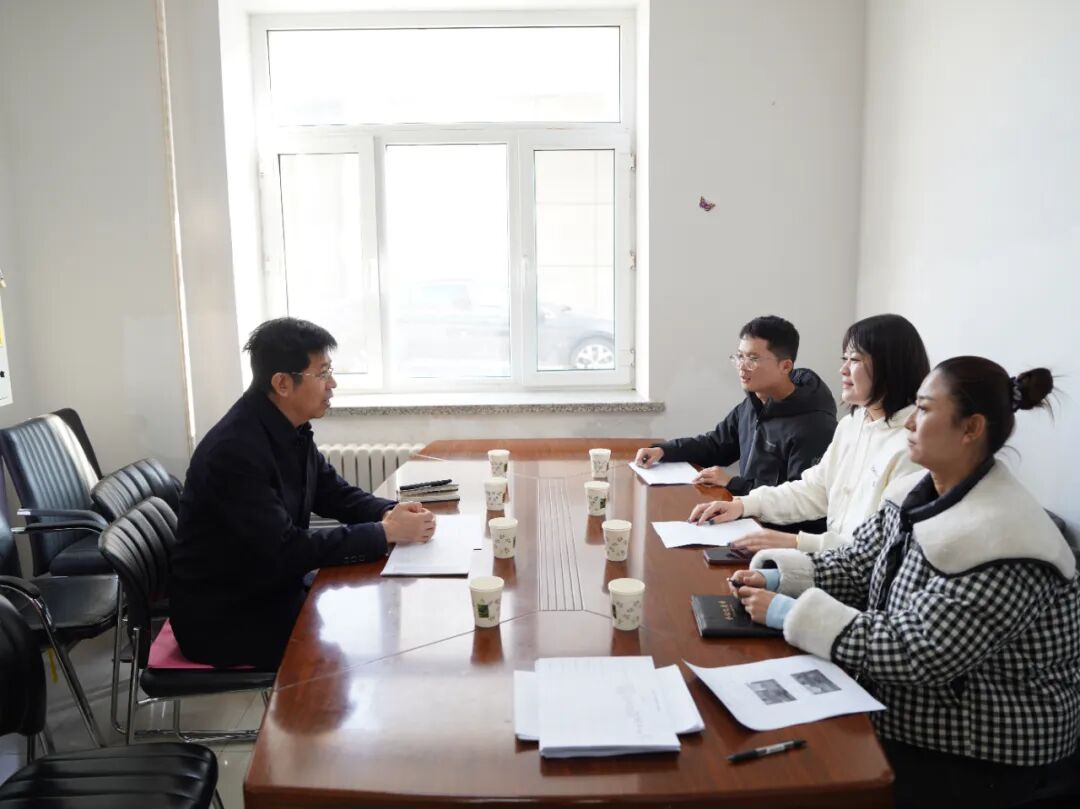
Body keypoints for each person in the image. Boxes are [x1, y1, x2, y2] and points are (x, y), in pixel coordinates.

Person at [729, 358, 1079, 808]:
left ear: (971, 428)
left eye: (925, 410)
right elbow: (857, 565)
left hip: (984, 752)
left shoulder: (1010, 539)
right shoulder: (916, 493)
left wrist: (788, 612)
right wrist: (779, 578)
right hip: (911, 711)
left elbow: (918, 651)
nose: (910, 423)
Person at [170, 318, 435, 669]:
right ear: (282, 383)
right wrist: (384, 532)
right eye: (322, 373)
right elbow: (285, 549)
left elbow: (333, 492)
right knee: (370, 644)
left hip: (270, 588)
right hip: (227, 617)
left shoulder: (288, 428)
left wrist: (391, 512)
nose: (332, 383)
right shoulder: (234, 451)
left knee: (378, 609)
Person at [688, 314, 929, 553]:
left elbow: (879, 551)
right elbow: (815, 489)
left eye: (854, 360)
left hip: (850, 570)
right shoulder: (851, 425)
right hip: (830, 561)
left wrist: (796, 543)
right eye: (844, 359)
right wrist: (743, 505)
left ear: (891, 367)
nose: (843, 369)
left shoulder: (913, 447)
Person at [634, 316, 837, 505]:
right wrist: (664, 451)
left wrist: (733, 484)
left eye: (753, 359)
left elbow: (799, 501)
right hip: (746, 512)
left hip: (778, 527)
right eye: (740, 356)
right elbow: (715, 445)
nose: (742, 367)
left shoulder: (816, 426)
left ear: (785, 366)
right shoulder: (753, 403)